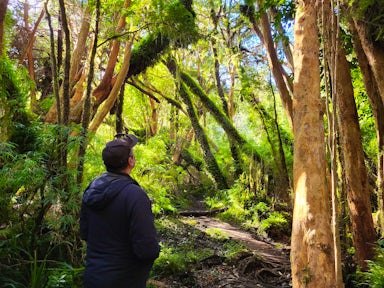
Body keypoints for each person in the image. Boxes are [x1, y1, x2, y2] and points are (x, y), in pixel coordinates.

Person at [80, 134, 160, 288]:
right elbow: (147, 248)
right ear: (130, 161)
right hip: (126, 278)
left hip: (93, 276)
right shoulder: (135, 195)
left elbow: (85, 232)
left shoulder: (92, 188)